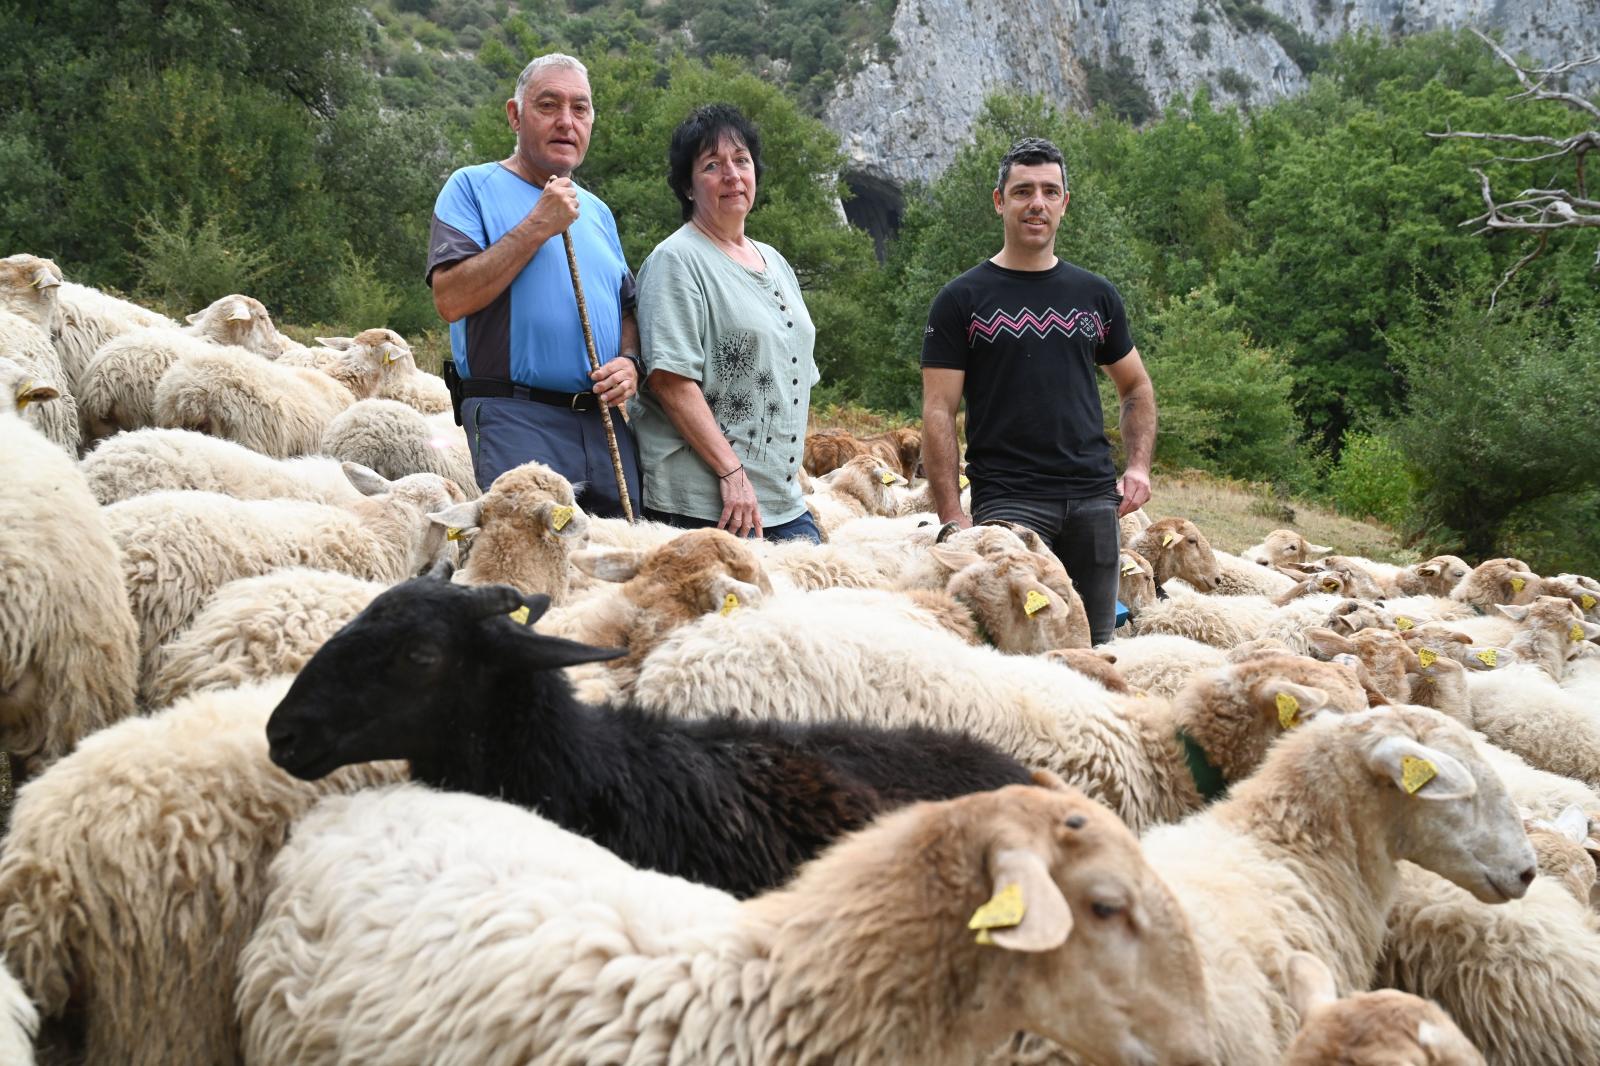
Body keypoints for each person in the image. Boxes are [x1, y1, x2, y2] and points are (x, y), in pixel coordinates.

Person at [921, 137, 1157, 646]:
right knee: (1021, 650)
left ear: (1064, 204)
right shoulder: (961, 299)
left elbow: (1135, 386)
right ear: (999, 200)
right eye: (1023, 190)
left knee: (1095, 647)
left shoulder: (1095, 295)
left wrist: (1137, 465)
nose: (1037, 203)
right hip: (1009, 502)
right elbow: (939, 411)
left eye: (1050, 192)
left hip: (1094, 503)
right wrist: (951, 516)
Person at [424, 53, 642, 515]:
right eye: (548, 105)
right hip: (514, 416)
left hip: (602, 422)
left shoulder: (598, 212)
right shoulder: (471, 187)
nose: (566, 121)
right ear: (514, 115)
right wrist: (538, 224)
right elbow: (451, 298)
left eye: (580, 109)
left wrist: (629, 361)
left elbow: (627, 309)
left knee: (617, 567)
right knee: (528, 563)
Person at [630, 104, 822, 544]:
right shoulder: (676, 261)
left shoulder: (773, 261)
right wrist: (733, 474)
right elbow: (671, 382)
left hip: (781, 503)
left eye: (741, 161)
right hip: (710, 507)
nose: (732, 175)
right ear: (688, 186)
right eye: (712, 165)